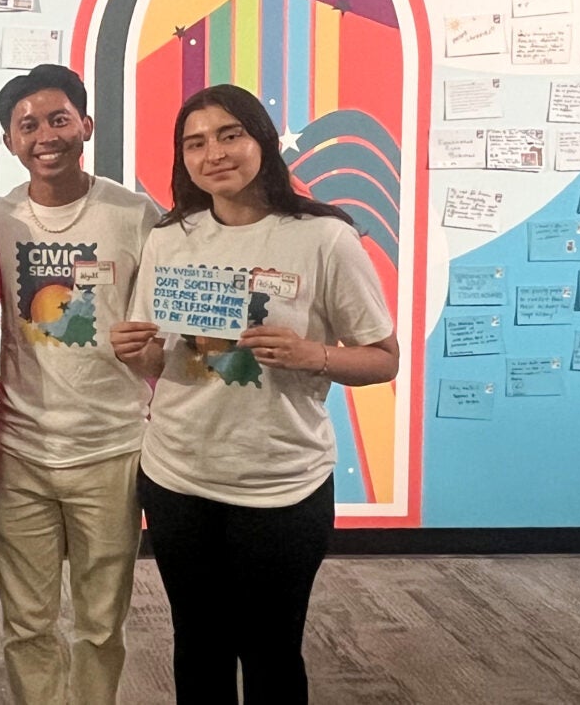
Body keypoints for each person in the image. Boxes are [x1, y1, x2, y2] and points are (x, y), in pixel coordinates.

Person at [110, 84, 400, 704]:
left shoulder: (324, 238)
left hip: (281, 483)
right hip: (177, 476)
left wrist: (313, 355)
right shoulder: (170, 237)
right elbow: (162, 361)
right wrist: (141, 355)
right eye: (195, 142)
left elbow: (383, 359)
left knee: (270, 651)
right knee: (197, 646)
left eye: (229, 134)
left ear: (262, 141)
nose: (213, 152)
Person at [0, 65, 158, 705]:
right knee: (26, 623)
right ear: (9, 141)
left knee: (99, 624)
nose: (45, 135)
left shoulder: (135, 215)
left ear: (86, 124)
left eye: (59, 119)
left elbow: (164, 324)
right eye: (27, 125)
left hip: (111, 450)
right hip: (20, 450)